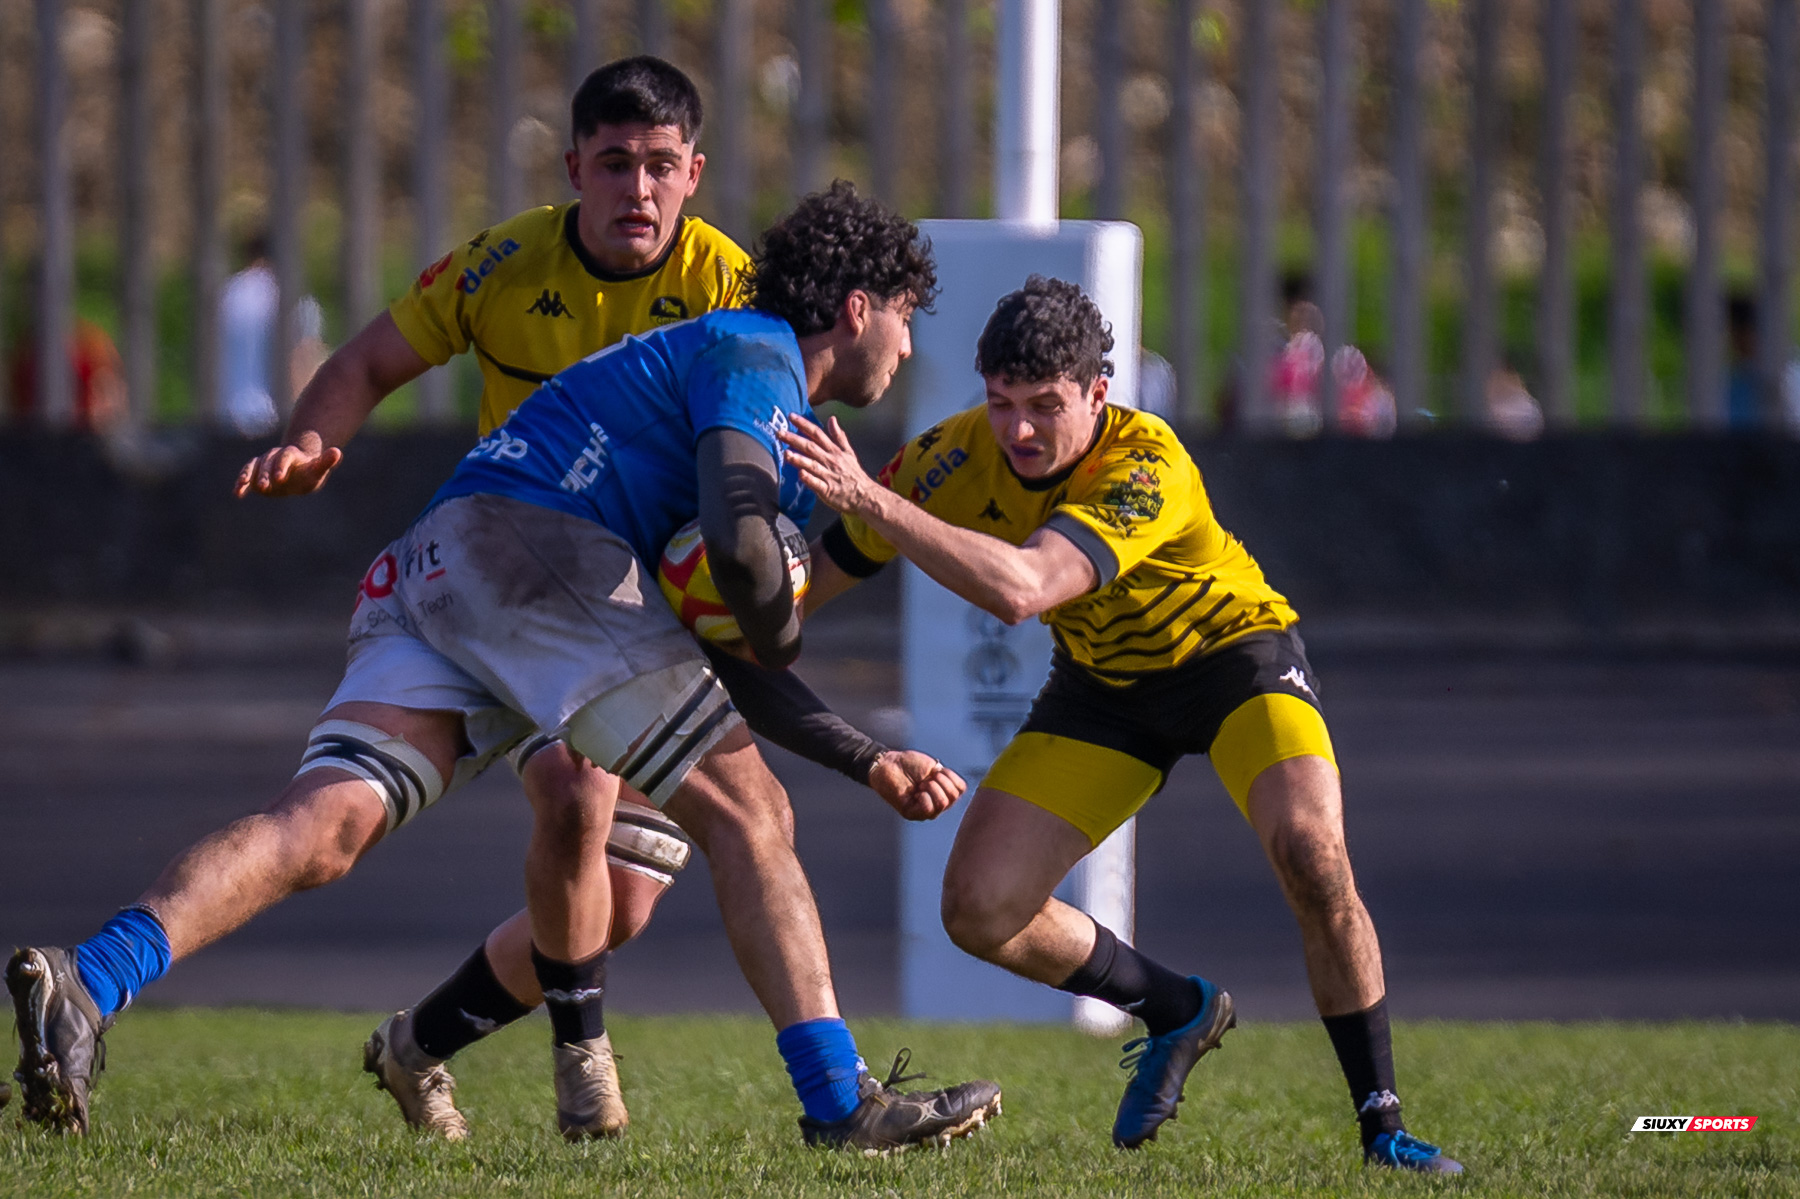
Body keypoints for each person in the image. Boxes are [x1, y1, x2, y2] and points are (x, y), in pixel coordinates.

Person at [8, 183, 1001, 1153]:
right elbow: (741, 554)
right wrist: (779, 620)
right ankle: (838, 1100)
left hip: (438, 557)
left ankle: (90, 977)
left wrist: (860, 750)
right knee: (752, 814)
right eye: (907, 319)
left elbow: (710, 641)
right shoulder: (759, 352)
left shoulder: (709, 357)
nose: (909, 346)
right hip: (538, 556)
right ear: (858, 309)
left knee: (322, 826)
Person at [780, 275, 1462, 1174]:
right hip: (1105, 686)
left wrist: (875, 502)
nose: (1018, 432)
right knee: (979, 909)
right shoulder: (949, 458)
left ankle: (1384, 1127)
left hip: (1232, 658)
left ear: (1099, 395)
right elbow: (812, 583)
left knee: (1312, 852)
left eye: (1045, 407)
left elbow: (1023, 589)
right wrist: (716, 622)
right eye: (1001, 404)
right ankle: (1177, 1007)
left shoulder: (1148, 463)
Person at [234, 57, 753, 1131]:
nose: (638, 189)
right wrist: (309, 440)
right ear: (575, 169)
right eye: (615, 165)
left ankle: (414, 1042)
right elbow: (369, 359)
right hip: (527, 584)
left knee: (621, 905)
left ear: (694, 173)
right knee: (571, 788)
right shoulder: (503, 265)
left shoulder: (725, 286)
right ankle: (586, 1063)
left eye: (660, 166)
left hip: (662, 612)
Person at [218, 231, 328, 436]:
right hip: (271, 419)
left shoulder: (228, 294)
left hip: (225, 417)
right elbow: (302, 359)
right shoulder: (290, 296)